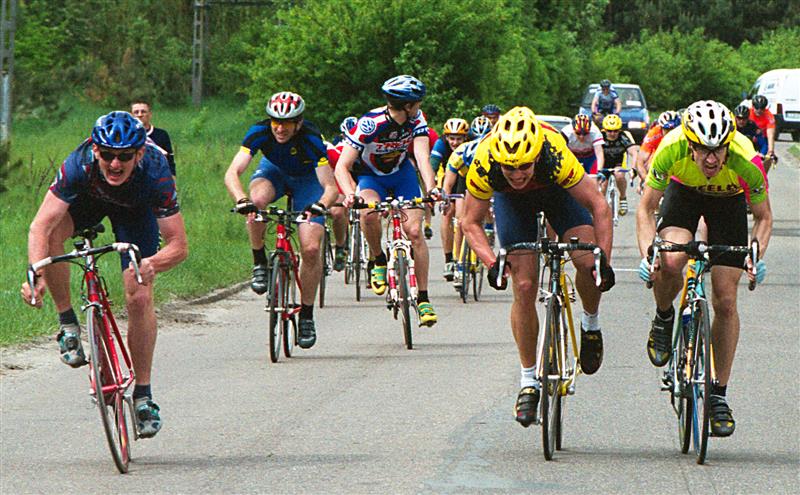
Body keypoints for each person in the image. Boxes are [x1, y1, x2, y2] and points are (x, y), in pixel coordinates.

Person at [21, 111, 188, 438]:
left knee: (139, 294)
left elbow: (179, 245)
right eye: (108, 154)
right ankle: (68, 322)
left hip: (137, 215)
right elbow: (39, 226)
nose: (115, 163)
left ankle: (143, 396)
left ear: (139, 153)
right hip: (88, 204)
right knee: (53, 236)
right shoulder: (78, 164)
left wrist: (153, 264)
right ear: (95, 150)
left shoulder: (156, 172)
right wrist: (35, 272)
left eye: (124, 156)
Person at [459, 107, 615, 427]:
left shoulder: (554, 153)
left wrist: (604, 260)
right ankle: (528, 381)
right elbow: (469, 222)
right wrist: (492, 263)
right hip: (512, 204)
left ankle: (591, 323)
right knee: (525, 286)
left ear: (536, 156)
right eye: (509, 168)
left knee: (587, 263)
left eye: (524, 167)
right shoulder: (485, 161)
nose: (517, 175)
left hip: (557, 193)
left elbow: (599, 206)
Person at [637, 100, 772, 437]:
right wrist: (648, 254)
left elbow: (763, 217)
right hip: (683, 194)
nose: (712, 159)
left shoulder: (746, 159)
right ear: (690, 145)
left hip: (728, 202)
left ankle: (718, 395)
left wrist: (755, 254)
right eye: (703, 150)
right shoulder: (670, 148)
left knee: (726, 299)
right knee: (671, 259)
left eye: (718, 150)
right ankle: (664, 315)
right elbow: (646, 209)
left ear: (728, 146)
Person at [224, 91, 338, 348]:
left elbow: (330, 187)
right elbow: (232, 172)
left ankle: (306, 315)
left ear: (298, 123)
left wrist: (320, 205)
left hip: (308, 181)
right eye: (276, 121)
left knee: (311, 248)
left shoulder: (311, 138)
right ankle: (259, 262)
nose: (279, 128)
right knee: (257, 202)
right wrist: (241, 199)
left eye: (286, 123)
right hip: (274, 172)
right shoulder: (259, 132)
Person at [335, 75, 440, 326]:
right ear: (407, 105)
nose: (420, 105)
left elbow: (422, 157)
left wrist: (432, 188)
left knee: (414, 232)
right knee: (367, 214)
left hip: (402, 176)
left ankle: (423, 298)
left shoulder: (417, 119)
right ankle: (378, 259)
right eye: (417, 102)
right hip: (371, 177)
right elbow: (342, 166)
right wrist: (350, 193)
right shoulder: (370, 124)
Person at [431, 118, 469, 280]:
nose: (455, 142)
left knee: (460, 218)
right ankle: (449, 260)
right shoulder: (440, 144)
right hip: (449, 176)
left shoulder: (471, 144)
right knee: (446, 214)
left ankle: (459, 257)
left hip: (466, 177)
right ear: (446, 137)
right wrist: (431, 187)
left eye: (459, 138)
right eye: (451, 138)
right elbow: (432, 166)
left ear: (465, 138)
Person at [600, 114, 638, 215]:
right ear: (604, 130)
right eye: (609, 131)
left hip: (618, 162)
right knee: (602, 186)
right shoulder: (600, 136)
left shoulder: (623, 136)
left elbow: (634, 152)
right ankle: (601, 206)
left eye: (616, 131)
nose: (612, 134)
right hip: (603, 163)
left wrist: (633, 169)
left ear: (619, 130)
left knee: (619, 175)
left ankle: (623, 197)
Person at [634, 110, 681, 189]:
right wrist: (646, 180)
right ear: (661, 128)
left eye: (673, 129)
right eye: (667, 129)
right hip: (658, 152)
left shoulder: (682, 134)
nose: (670, 133)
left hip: (676, 154)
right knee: (650, 165)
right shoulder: (654, 134)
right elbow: (640, 161)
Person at [131, 98, 177, 179]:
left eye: (143, 111)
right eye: (136, 112)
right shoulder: (127, 135)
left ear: (150, 114)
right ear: (131, 115)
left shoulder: (162, 135)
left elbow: (170, 159)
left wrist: (172, 178)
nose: (140, 115)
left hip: (157, 177)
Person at [748, 95, 777, 172]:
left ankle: (763, 175)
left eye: (762, 108)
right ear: (753, 106)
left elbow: (770, 135)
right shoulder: (748, 113)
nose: (759, 110)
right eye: (757, 107)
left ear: (765, 108)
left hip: (763, 138)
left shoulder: (769, 116)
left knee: (768, 156)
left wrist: (771, 151)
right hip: (750, 137)